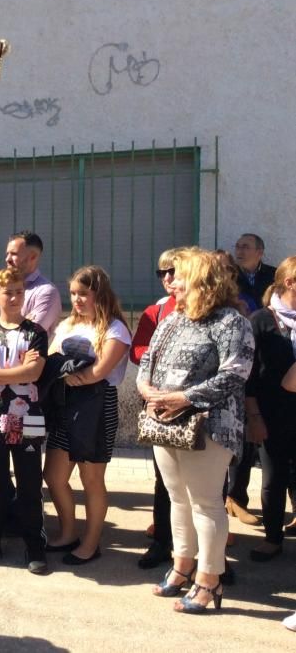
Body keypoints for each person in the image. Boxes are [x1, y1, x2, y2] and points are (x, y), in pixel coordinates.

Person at [138, 247, 254, 614]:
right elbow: (147, 361)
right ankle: (182, 565)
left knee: (206, 503)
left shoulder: (232, 322)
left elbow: (235, 373)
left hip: (211, 425)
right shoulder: (173, 318)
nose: (173, 281)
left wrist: (183, 398)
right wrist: (147, 390)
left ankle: (210, 578)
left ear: (203, 280)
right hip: (164, 422)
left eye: (181, 275)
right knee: (177, 499)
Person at [43, 265, 131, 565]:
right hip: (65, 403)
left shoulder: (116, 329)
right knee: (53, 476)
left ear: (99, 294)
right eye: (73, 294)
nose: (77, 300)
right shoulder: (67, 325)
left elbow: (98, 373)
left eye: (84, 294)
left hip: (97, 404)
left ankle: (91, 543)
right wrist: (62, 375)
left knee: (91, 479)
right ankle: (69, 532)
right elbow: (51, 360)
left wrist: (66, 376)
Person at [0, 267, 49, 574]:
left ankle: (34, 543)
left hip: (26, 417)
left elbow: (33, 373)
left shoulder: (35, 333)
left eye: (19, 291)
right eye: (8, 292)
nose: (14, 297)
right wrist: (3, 373)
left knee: (30, 485)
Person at [129, 248, 182, 570]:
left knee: (208, 488)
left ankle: (210, 557)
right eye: (162, 273)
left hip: (200, 408)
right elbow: (137, 351)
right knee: (165, 479)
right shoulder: (156, 311)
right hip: (161, 406)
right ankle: (163, 540)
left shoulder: (216, 309)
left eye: (173, 271)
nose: (168, 278)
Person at [246, 256, 296, 562]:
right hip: (271, 412)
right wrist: (254, 417)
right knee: (273, 477)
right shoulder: (261, 321)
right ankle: (273, 537)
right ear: (290, 283)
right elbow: (249, 377)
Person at [227, 233, 275, 526]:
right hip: (240, 359)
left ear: (260, 251)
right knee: (243, 440)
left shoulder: (274, 275)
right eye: (238, 246)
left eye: (246, 246)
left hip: (271, 360)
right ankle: (236, 499)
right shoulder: (229, 277)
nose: (240, 250)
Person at [0, 230, 62, 336]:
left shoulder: (46, 292)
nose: (7, 259)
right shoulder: (1, 287)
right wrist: (23, 322)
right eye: (7, 254)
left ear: (33, 257)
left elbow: (28, 336)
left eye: (14, 254)